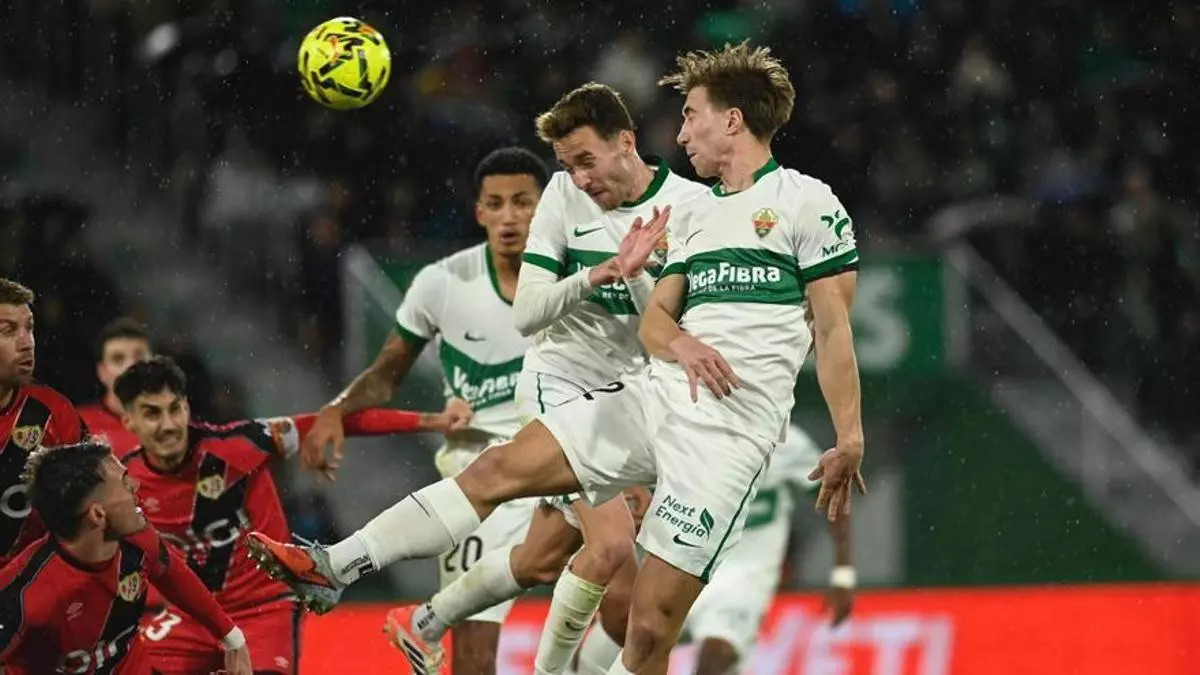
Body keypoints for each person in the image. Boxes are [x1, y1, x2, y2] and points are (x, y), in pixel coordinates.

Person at [249, 42, 865, 675]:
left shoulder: (805, 201)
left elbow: (832, 328)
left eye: (691, 115)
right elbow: (656, 322)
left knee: (645, 631)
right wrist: (677, 336)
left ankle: (442, 624)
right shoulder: (695, 216)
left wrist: (849, 435)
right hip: (651, 395)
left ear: (732, 120)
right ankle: (334, 566)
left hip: (727, 437)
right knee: (500, 470)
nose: (681, 133)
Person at [380, 83, 707, 675]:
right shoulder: (472, 264)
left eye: (585, 161)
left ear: (625, 142)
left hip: (621, 402)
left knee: (540, 561)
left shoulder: (687, 209)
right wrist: (600, 274)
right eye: (568, 165)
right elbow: (526, 315)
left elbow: (658, 328)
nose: (578, 178)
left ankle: (423, 620)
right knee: (609, 551)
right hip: (551, 403)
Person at [297, 147, 550, 675]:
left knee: (626, 603)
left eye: (522, 202)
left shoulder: (576, 279)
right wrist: (334, 411)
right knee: (475, 658)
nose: (508, 216)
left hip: (567, 461)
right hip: (483, 480)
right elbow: (385, 375)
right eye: (495, 203)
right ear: (478, 211)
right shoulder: (443, 283)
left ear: (545, 206)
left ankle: (358, 578)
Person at [117, 355, 449, 674]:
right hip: (192, 618)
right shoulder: (122, 482)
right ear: (128, 420)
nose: (168, 425)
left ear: (187, 408)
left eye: (174, 409)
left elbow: (334, 422)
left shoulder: (241, 445)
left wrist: (431, 422)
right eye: (152, 414)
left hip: (262, 609)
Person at [571, 424, 855, 675]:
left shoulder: (788, 444)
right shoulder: (683, 433)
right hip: (677, 565)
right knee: (619, 641)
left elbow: (835, 498)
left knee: (716, 657)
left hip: (744, 579)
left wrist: (843, 573)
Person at [0, 440, 252, 674]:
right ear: (98, 515)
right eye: (123, 481)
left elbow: (171, 573)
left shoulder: (137, 540)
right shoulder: (22, 595)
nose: (135, 485)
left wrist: (232, 637)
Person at [0, 278, 88, 566]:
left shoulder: (54, 412)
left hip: (29, 582)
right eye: (8, 330)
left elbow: (91, 504)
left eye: (30, 328)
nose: (26, 343)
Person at [78, 317, 152, 454]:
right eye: (118, 359)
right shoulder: (77, 426)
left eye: (139, 357)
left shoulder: (179, 425)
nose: (130, 366)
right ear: (102, 372)